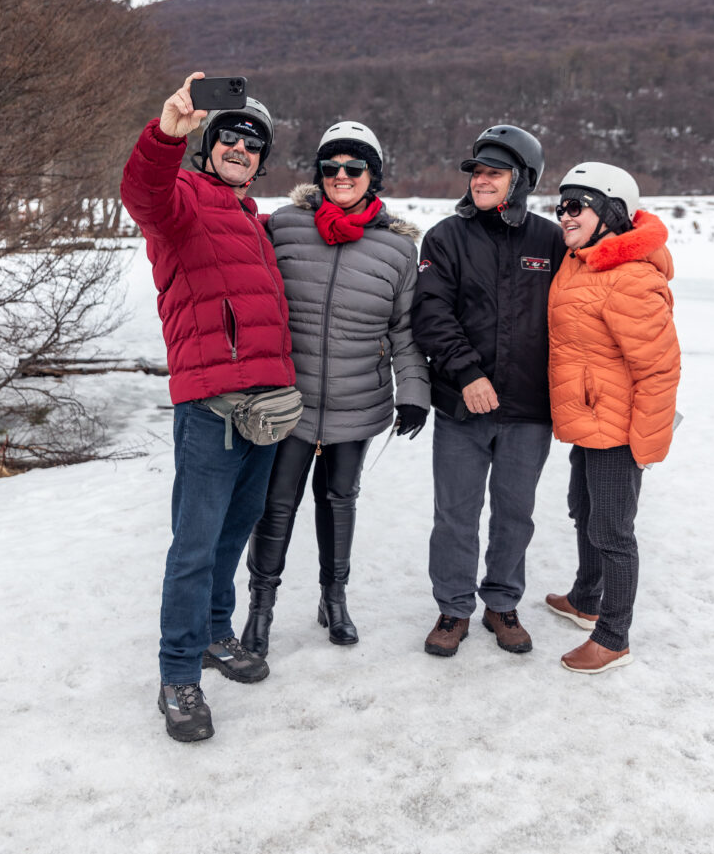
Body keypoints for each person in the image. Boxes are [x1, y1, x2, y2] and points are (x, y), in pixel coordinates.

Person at [120, 72, 295, 742]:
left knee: (232, 532)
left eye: (253, 142)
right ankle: (177, 674)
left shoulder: (254, 221)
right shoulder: (182, 199)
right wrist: (166, 132)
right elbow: (143, 192)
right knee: (193, 545)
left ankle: (216, 633)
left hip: (267, 409)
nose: (240, 148)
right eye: (229, 137)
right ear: (207, 145)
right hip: (211, 409)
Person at [240, 120, 430, 658]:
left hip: (357, 400)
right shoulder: (284, 226)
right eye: (330, 167)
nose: (341, 176)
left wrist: (413, 389)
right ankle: (260, 609)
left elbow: (404, 332)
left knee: (340, 499)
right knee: (276, 504)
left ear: (374, 177)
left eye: (353, 168)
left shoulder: (396, 250)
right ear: (318, 175)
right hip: (287, 401)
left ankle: (334, 597)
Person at [411, 124, 566, 658]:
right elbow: (431, 314)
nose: (481, 180)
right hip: (462, 406)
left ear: (521, 180)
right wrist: (467, 373)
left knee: (515, 512)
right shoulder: (445, 238)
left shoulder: (551, 240)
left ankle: (502, 603)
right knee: (455, 511)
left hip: (529, 408)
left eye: (494, 173)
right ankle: (454, 608)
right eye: (477, 171)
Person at [545, 162, 681, 674]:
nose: (564, 215)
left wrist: (643, 445)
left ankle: (613, 636)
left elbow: (660, 368)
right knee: (582, 509)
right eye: (560, 206)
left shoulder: (629, 278)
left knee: (613, 532)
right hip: (589, 418)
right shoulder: (582, 261)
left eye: (575, 205)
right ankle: (585, 598)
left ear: (611, 212)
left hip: (617, 431)